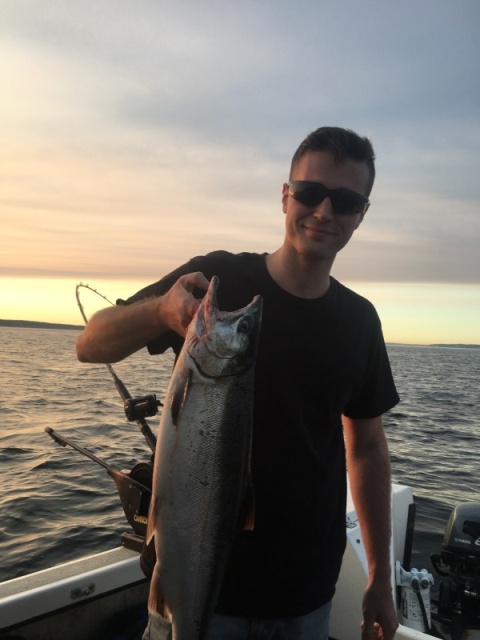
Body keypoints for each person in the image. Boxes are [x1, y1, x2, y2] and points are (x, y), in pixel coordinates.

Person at [76, 126, 400, 640]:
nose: (323, 212)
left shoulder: (360, 321)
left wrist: (381, 575)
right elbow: (90, 343)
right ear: (285, 195)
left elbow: (366, 447)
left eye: (344, 200)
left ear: (361, 213)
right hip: (187, 574)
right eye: (310, 193)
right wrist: (161, 310)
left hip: (304, 594)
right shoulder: (215, 278)